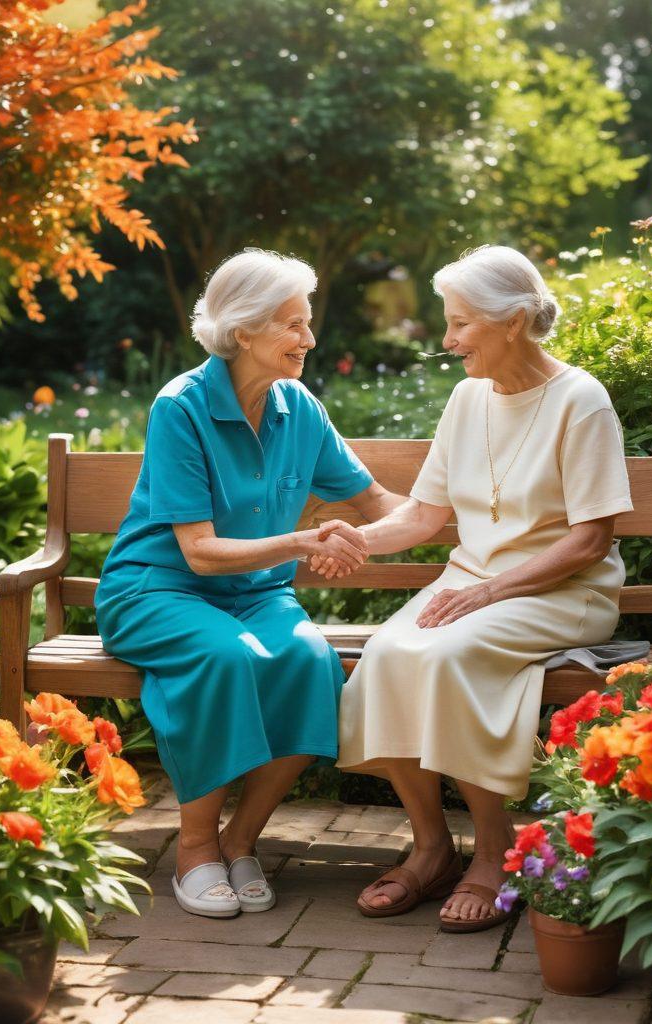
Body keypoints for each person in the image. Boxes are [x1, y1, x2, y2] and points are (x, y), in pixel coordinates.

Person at [320, 245, 634, 932]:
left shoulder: (580, 400)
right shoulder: (467, 399)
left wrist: (490, 595)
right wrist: (355, 539)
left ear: (514, 320)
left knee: (447, 656)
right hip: (470, 584)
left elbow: (590, 540)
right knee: (388, 655)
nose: (448, 340)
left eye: (461, 324)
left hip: (562, 590)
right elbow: (427, 515)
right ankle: (432, 847)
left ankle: (493, 855)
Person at [95, 250, 399, 919]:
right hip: (158, 589)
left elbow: (377, 500)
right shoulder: (181, 407)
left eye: (307, 323)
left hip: (257, 595)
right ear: (242, 331)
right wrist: (299, 542)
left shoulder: (299, 407)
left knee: (311, 662)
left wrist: (485, 531)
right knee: (228, 658)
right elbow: (199, 553)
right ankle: (196, 849)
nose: (309, 341)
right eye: (292, 325)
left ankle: (240, 839)